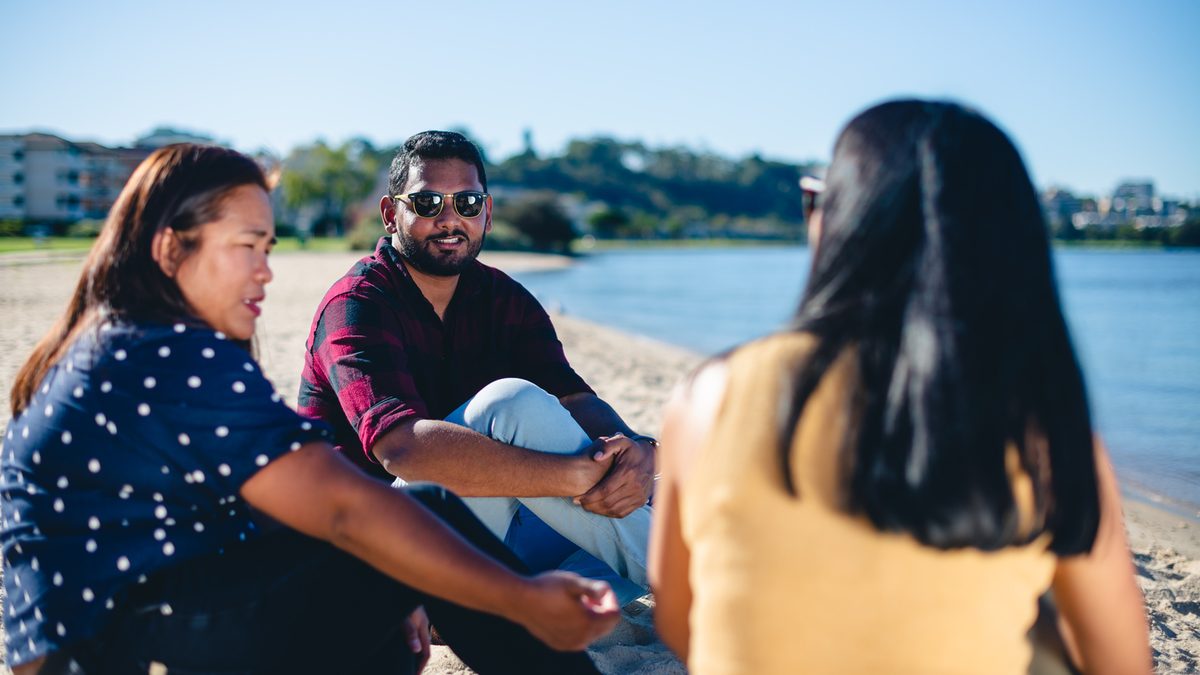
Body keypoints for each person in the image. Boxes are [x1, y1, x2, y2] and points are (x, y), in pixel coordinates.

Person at [0, 144, 619, 674]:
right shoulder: (167, 354)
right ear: (170, 251)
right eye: (247, 246)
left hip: (110, 630)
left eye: (268, 246)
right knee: (417, 515)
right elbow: (345, 506)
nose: (266, 272)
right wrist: (521, 597)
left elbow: (269, 507)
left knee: (393, 599)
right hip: (112, 645)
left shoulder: (114, 342)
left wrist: (400, 578)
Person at [648, 100, 1151, 674]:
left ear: (837, 222)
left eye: (818, 198)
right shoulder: (1041, 432)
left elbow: (681, 620)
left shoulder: (707, 399)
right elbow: (1121, 666)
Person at [298, 131, 655, 602]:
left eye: (467, 202)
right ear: (390, 215)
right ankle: (695, 587)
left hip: (480, 535)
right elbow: (403, 451)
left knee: (657, 483)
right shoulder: (358, 304)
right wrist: (577, 475)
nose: (449, 219)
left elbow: (574, 400)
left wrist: (635, 452)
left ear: (486, 212)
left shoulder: (503, 298)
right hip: (373, 548)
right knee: (511, 405)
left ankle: (524, 607)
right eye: (426, 203)